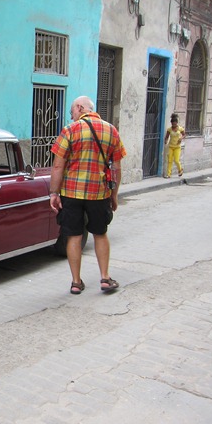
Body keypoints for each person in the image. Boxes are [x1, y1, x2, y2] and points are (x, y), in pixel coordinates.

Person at [49, 95, 127, 295]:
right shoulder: (111, 130)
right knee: (100, 233)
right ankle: (105, 278)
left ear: (80, 107)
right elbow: (117, 167)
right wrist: (114, 195)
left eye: (72, 111)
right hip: (99, 193)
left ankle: (76, 282)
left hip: (71, 193)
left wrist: (54, 193)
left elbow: (58, 165)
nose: (72, 116)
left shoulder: (70, 130)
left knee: (74, 236)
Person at [164, 113, 185, 178]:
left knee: (176, 160)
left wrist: (181, 138)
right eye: (172, 124)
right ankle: (169, 174)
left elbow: (184, 135)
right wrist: (166, 140)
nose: (174, 125)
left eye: (175, 124)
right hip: (170, 146)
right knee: (169, 160)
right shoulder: (169, 129)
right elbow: (167, 137)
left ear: (177, 123)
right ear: (171, 123)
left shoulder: (180, 129)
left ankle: (180, 170)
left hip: (177, 147)